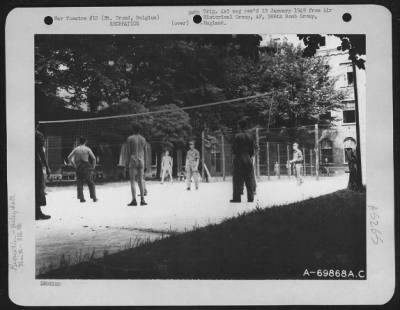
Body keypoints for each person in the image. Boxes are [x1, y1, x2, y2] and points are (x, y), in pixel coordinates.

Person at [68, 136, 98, 203]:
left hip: (78, 166)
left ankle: (81, 198)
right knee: (90, 182)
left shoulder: (76, 149)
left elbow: (69, 158)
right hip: (86, 165)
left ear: (79, 142)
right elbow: (94, 158)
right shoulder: (87, 149)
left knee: (80, 182)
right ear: (85, 142)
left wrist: (74, 165)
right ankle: (94, 197)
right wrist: (93, 167)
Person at [231, 119, 255, 203]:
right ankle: (250, 198)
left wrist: (233, 161)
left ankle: (237, 198)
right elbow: (252, 151)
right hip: (248, 159)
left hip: (239, 159)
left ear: (240, 126)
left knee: (237, 179)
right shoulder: (250, 136)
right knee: (249, 179)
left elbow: (234, 150)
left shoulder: (237, 136)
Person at [125, 122, 147, 206]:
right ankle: (142, 199)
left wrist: (126, 163)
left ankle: (134, 200)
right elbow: (145, 152)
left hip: (133, 160)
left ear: (133, 129)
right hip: (141, 160)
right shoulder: (143, 139)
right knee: (141, 180)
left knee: (132, 181)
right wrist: (146, 163)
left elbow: (128, 152)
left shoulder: (130, 138)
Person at [35, 122, 51, 220]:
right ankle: (37, 213)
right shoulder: (37, 135)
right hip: (34, 163)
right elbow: (41, 152)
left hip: (22, 163)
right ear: (36, 125)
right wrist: (47, 166)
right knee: (38, 187)